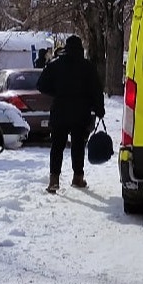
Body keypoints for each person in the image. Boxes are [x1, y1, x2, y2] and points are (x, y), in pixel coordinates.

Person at [36, 35, 105, 192]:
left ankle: (54, 180)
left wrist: (57, 92)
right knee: (78, 146)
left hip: (60, 111)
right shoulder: (87, 67)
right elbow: (96, 90)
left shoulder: (55, 65)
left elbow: (41, 85)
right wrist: (99, 109)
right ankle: (78, 177)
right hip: (81, 113)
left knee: (57, 146)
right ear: (80, 49)